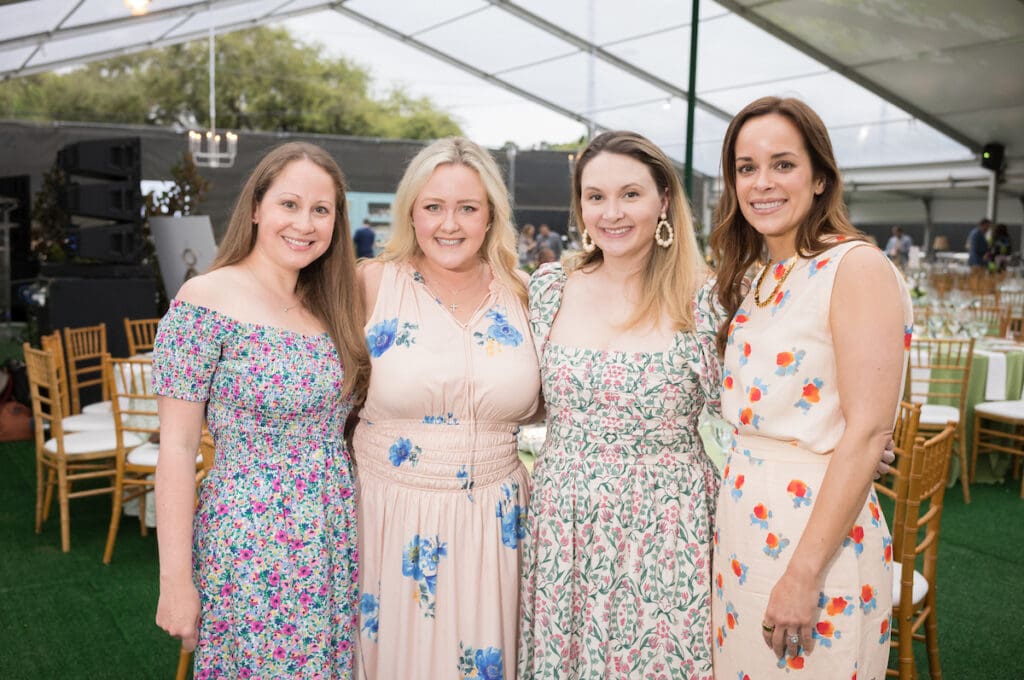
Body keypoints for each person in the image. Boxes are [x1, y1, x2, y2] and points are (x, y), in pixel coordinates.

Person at [709, 97, 910, 678]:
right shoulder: (762, 276)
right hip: (745, 534)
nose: (762, 183)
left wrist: (802, 575)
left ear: (820, 177)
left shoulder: (856, 267)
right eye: (746, 168)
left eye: (783, 164)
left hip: (817, 547)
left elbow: (870, 430)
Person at [152, 142, 369, 678]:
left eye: (322, 210)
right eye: (289, 205)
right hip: (251, 539)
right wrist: (175, 582)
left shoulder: (331, 305)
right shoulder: (203, 300)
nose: (306, 223)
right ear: (256, 208)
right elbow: (177, 450)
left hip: (333, 529)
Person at [518, 130, 721, 678]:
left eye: (630, 194)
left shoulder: (706, 297)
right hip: (565, 523)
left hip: (668, 526)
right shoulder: (548, 287)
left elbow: (751, 410)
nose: (612, 212)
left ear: (663, 200)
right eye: (596, 196)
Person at [353, 137, 540, 679]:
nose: (449, 224)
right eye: (434, 206)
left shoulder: (525, 294)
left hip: (497, 523)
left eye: (467, 208)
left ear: (491, 217)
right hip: (389, 517)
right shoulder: (369, 284)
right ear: (411, 211)